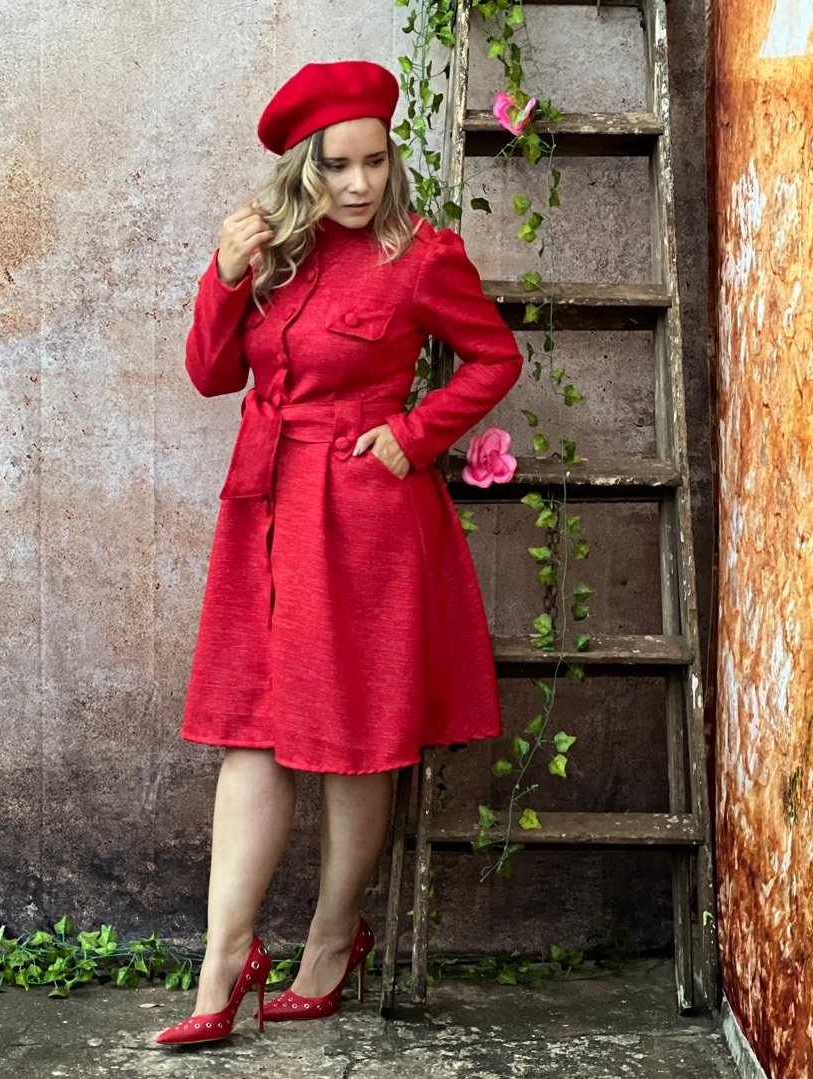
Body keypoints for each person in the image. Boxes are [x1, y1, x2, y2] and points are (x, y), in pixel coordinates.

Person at [156, 60, 523, 1046]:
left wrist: (413, 433)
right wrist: (223, 273)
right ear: (301, 168)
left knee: (354, 736)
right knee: (250, 732)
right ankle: (223, 964)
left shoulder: (421, 255)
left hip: (362, 519)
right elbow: (211, 375)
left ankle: (329, 941)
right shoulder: (271, 251)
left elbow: (495, 355)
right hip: (263, 510)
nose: (359, 184)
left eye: (374, 161)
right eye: (336, 166)